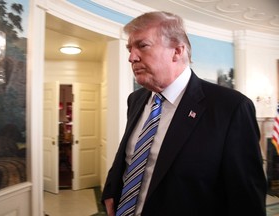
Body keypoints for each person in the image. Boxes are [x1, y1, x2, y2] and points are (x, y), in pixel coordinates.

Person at [102, 11, 267, 216]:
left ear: (177, 51)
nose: (131, 57)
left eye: (142, 46)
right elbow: (127, 156)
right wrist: (111, 189)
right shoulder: (135, 100)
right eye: (130, 48)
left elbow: (246, 198)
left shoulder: (231, 107)